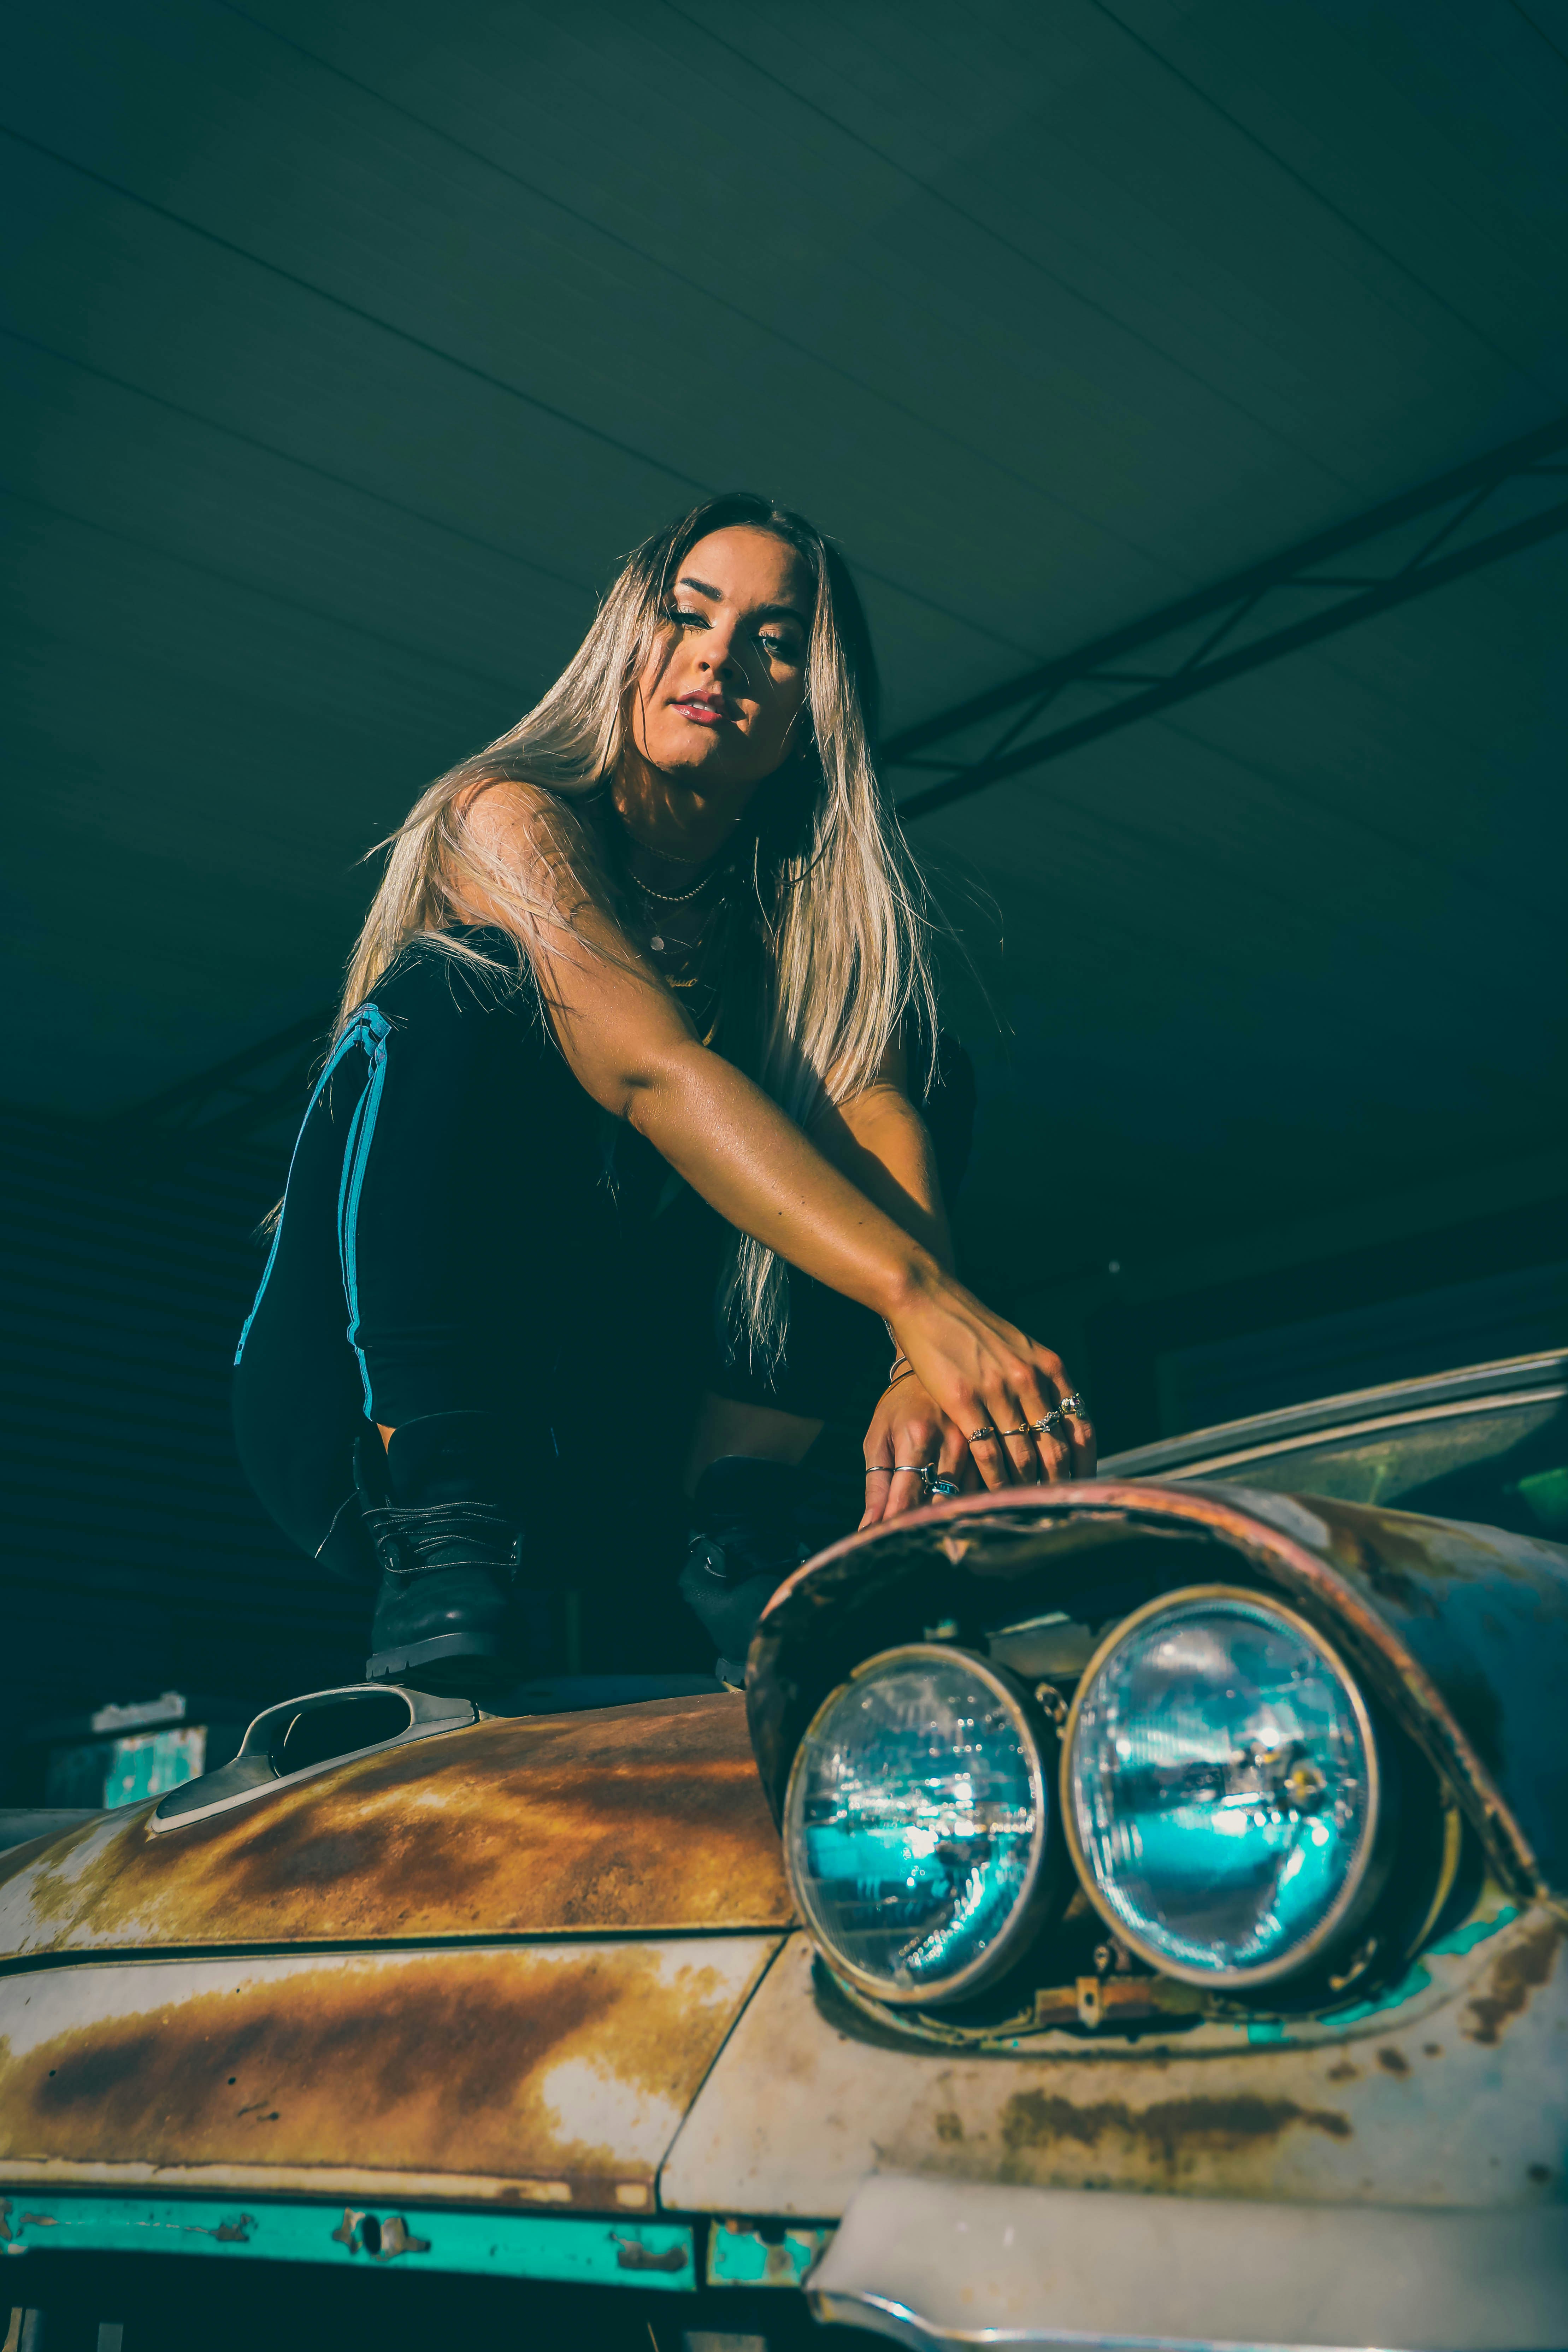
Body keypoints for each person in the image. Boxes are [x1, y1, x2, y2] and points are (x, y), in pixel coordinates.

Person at [232, 493, 1094, 1695]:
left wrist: (920, 1357)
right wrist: (920, 1297)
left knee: (912, 1058)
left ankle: (741, 1527)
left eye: (774, 641)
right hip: (357, 1437)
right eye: (688, 615)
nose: (719, 657)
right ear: (625, 640)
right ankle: (444, 1518)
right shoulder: (507, 816)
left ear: (811, 709)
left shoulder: (809, 911)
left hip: (612, 1448)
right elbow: (646, 1069)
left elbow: (880, 1108)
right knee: (457, 987)